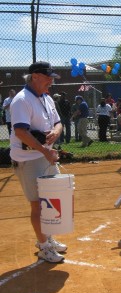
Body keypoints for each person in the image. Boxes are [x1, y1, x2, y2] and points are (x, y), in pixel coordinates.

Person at [10, 61, 66, 263]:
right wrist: (45, 150)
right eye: (48, 77)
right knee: (38, 206)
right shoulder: (22, 100)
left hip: (45, 157)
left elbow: (59, 122)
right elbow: (20, 132)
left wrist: (55, 133)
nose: (51, 80)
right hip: (29, 160)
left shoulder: (46, 98)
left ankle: (48, 238)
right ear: (35, 76)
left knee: (51, 202)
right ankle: (43, 246)